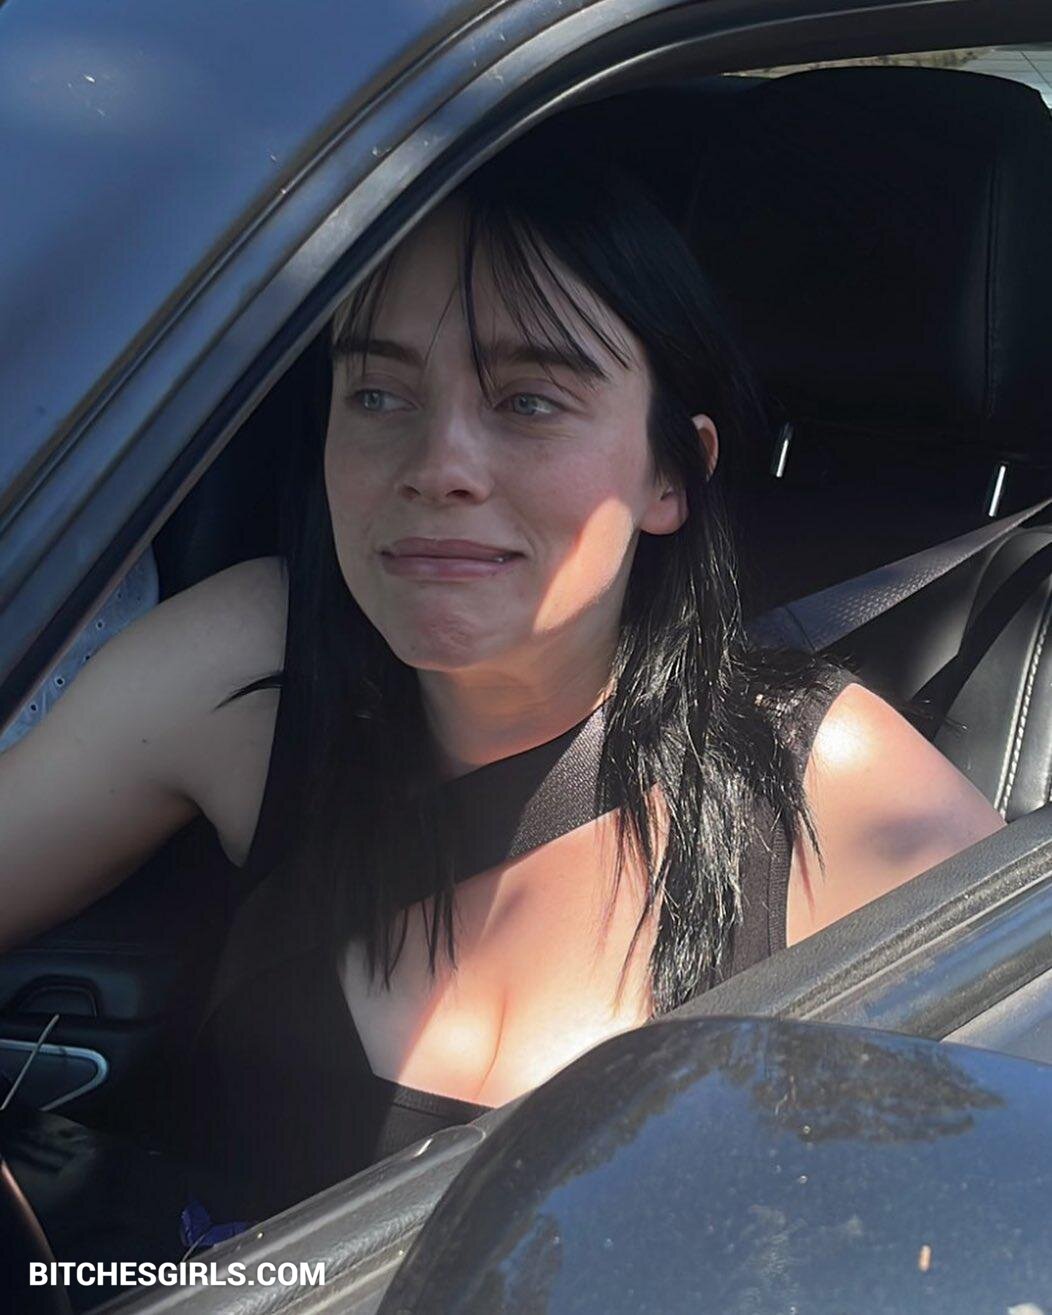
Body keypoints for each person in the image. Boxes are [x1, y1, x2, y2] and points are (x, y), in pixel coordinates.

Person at [0, 127, 1004, 1227]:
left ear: (670, 476)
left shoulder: (828, 783)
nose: (438, 467)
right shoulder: (250, 666)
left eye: (529, 400)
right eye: (377, 395)